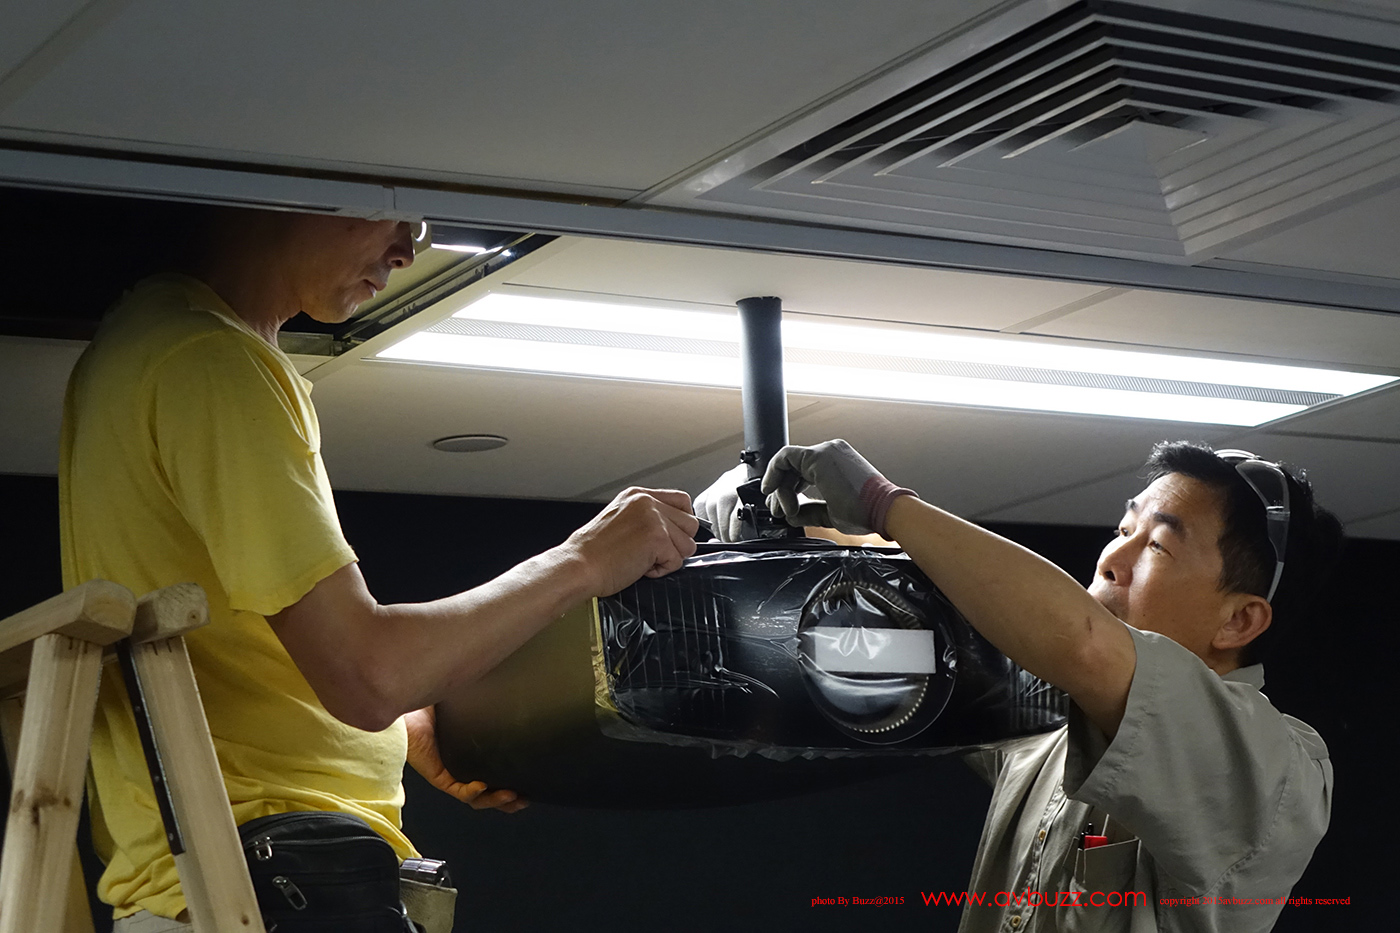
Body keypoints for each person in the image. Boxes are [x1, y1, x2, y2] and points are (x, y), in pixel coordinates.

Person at [60, 207, 699, 930]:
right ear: (294, 183)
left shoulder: (141, 346)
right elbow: (367, 676)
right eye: (392, 210)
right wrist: (583, 560)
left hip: (233, 879)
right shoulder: (209, 360)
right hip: (262, 880)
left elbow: (317, 669)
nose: (407, 250)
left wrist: (397, 722)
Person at [696, 438, 1338, 932]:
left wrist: (886, 503)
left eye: (1158, 548)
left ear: (1239, 620)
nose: (1112, 560)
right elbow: (973, 610)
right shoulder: (1051, 718)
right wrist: (792, 532)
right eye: (1124, 531)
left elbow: (1082, 642)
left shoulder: (1279, 769)